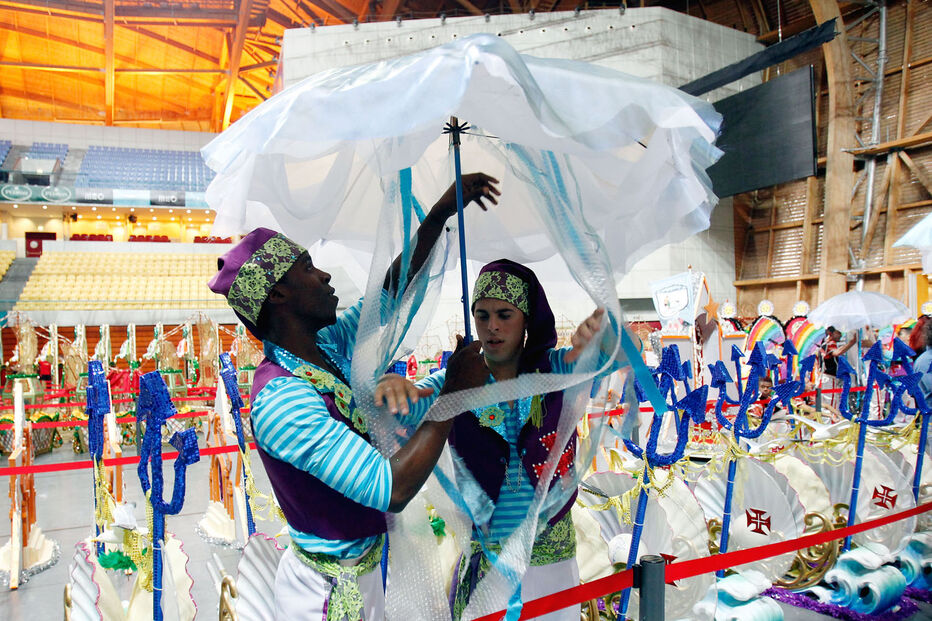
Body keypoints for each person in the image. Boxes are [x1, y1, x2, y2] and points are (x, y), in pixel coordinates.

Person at [208, 174, 500, 621]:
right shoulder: (282, 397)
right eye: (307, 267)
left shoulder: (327, 348)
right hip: (325, 597)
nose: (324, 274)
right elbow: (392, 487)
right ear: (280, 295)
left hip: (361, 573)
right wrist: (455, 392)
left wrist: (440, 213)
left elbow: (390, 292)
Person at [380, 259, 608, 621]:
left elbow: (615, 355)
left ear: (527, 319)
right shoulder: (455, 381)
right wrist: (392, 388)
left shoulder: (555, 371)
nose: (492, 327)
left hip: (552, 573)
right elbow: (408, 404)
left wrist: (608, 335)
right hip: (488, 574)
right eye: (482, 316)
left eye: (504, 314)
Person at [820, 326, 856, 411]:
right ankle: (831, 422)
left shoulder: (828, 344)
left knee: (832, 402)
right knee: (831, 403)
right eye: (838, 332)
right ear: (830, 333)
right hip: (829, 378)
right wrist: (852, 342)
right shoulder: (829, 343)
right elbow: (836, 353)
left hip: (829, 378)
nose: (840, 335)